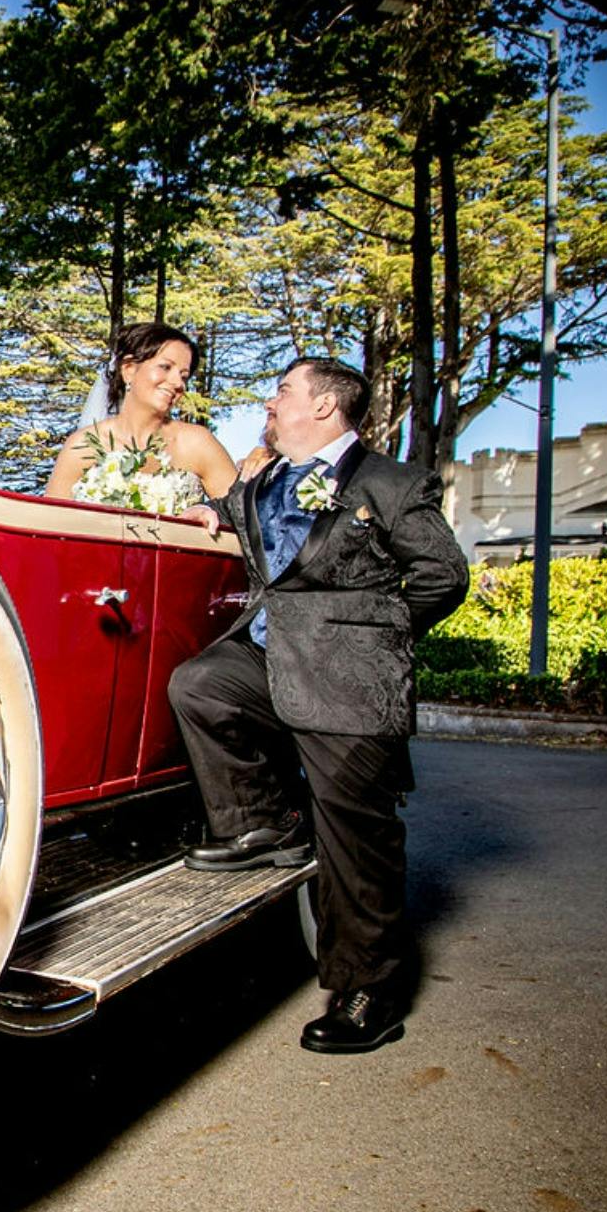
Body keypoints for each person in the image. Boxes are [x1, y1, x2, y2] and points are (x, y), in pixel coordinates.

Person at [166, 357, 468, 1054]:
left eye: (283, 392)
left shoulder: (389, 482)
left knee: (354, 840)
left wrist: (372, 638)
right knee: (199, 685)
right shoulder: (263, 478)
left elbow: (443, 576)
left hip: (346, 682)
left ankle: (370, 988)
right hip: (266, 659)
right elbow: (250, 526)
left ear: (325, 407)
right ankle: (261, 824)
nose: (269, 403)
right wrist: (207, 512)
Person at [43, 322, 237, 503]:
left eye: (184, 376)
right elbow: (50, 525)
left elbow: (241, 519)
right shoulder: (83, 445)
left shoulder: (197, 443)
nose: (178, 383)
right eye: (165, 367)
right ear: (128, 370)